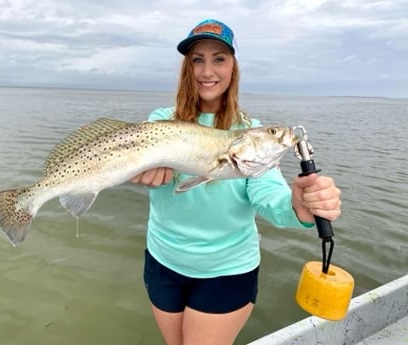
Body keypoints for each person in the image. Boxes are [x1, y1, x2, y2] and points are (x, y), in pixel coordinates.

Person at [131, 19, 342, 345]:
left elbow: (267, 192)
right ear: (187, 68)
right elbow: (144, 170)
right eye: (197, 59)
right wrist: (148, 177)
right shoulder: (161, 121)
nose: (206, 70)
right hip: (163, 261)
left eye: (219, 58)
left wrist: (297, 207)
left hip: (226, 271)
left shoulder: (250, 131)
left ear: (233, 67)